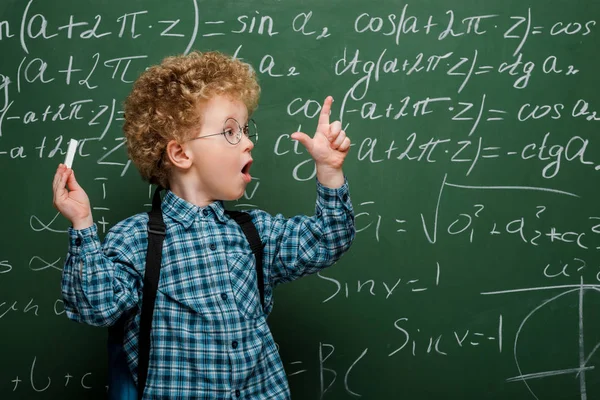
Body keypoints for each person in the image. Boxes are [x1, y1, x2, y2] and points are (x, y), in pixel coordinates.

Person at [52, 50, 355, 399]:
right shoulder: (136, 241)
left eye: (244, 129)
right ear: (181, 154)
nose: (248, 140)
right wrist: (83, 225)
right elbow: (95, 306)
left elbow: (328, 239)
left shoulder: (255, 233)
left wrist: (330, 171)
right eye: (230, 132)